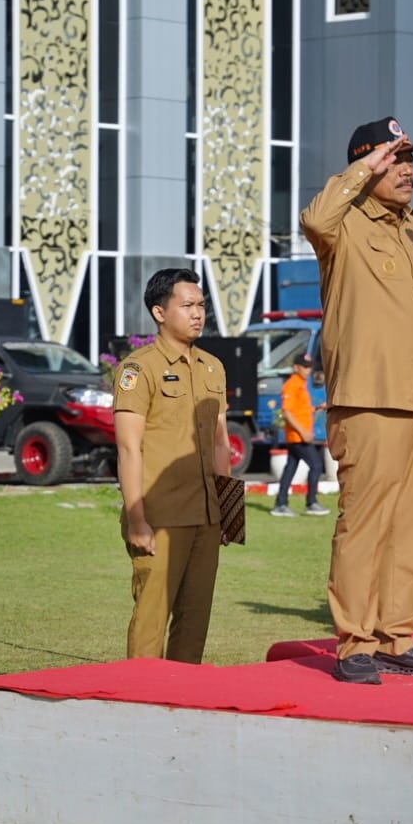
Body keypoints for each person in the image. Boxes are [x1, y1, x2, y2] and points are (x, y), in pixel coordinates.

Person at [301, 115, 413, 685]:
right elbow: (314, 217)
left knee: (411, 528)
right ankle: (355, 643)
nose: (408, 168)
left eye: (411, 157)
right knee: (364, 524)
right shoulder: (341, 225)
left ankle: (397, 636)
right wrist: (363, 169)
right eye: (395, 157)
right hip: (368, 396)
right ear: (366, 163)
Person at [112, 268, 231, 663]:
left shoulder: (213, 367)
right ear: (160, 312)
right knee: (151, 619)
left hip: (207, 515)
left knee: (195, 622)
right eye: (187, 306)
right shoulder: (137, 368)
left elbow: (220, 443)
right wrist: (136, 519)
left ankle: (184, 703)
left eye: (201, 305)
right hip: (160, 516)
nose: (198, 314)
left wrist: (230, 514)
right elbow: (129, 449)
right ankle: (139, 706)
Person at [271, 353, 330, 517]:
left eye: (310, 366)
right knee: (316, 465)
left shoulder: (301, 384)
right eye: (305, 366)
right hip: (298, 437)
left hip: (298, 436)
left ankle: (280, 504)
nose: (308, 369)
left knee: (290, 468)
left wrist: (317, 408)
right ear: (296, 367)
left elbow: (300, 411)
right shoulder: (292, 385)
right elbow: (287, 412)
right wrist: (303, 432)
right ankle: (311, 503)